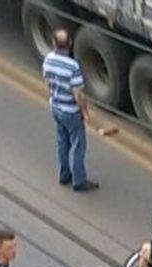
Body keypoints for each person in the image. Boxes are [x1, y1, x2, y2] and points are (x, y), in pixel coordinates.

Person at [42, 29, 99, 192]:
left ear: (53, 43)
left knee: (62, 141)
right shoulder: (73, 66)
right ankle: (79, 180)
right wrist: (85, 113)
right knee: (78, 145)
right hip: (71, 111)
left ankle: (64, 174)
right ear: (70, 44)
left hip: (56, 107)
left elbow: (46, 82)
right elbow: (78, 94)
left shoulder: (48, 60)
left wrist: (53, 97)